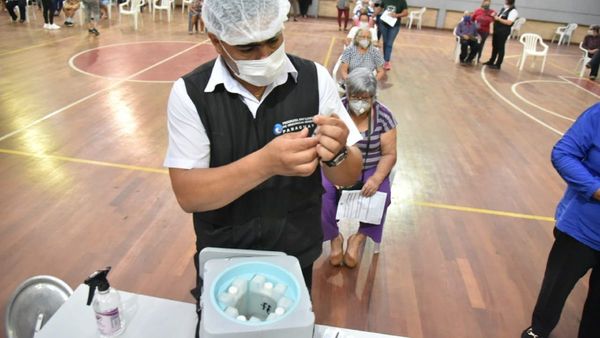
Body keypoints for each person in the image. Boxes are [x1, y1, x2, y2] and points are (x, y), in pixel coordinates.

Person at [164, 0, 363, 330]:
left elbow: (349, 174)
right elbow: (189, 195)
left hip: (294, 253)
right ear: (216, 40)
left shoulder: (315, 79)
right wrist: (266, 163)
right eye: (247, 47)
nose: (265, 56)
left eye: (273, 40)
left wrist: (338, 151)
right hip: (224, 256)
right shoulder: (191, 94)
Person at [521, 103, 600, 338]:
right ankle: (539, 329)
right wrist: (596, 189)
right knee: (556, 288)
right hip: (581, 228)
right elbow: (563, 153)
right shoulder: (597, 115)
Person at [321, 67, 396, 268]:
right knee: (321, 193)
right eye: (355, 96)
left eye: (366, 97)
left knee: (382, 195)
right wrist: (337, 175)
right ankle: (334, 237)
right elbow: (324, 145)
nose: (360, 102)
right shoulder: (335, 112)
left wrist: (376, 178)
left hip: (371, 167)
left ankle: (359, 237)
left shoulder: (384, 116)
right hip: (339, 164)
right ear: (347, 93)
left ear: (373, 96)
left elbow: (389, 154)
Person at [483, 0, 518, 70]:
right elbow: (498, 17)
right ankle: (491, 61)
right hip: (497, 30)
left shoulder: (513, 11)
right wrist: (494, 16)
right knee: (495, 45)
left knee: (500, 47)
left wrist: (498, 19)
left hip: (503, 31)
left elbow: (509, 22)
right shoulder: (503, 9)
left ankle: (498, 64)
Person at [375, 0, 408, 70]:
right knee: (385, 42)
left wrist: (397, 15)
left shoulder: (402, 1)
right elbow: (379, 8)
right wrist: (373, 16)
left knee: (389, 43)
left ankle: (386, 61)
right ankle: (385, 59)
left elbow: (406, 13)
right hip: (383, 24)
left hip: (394, 25)